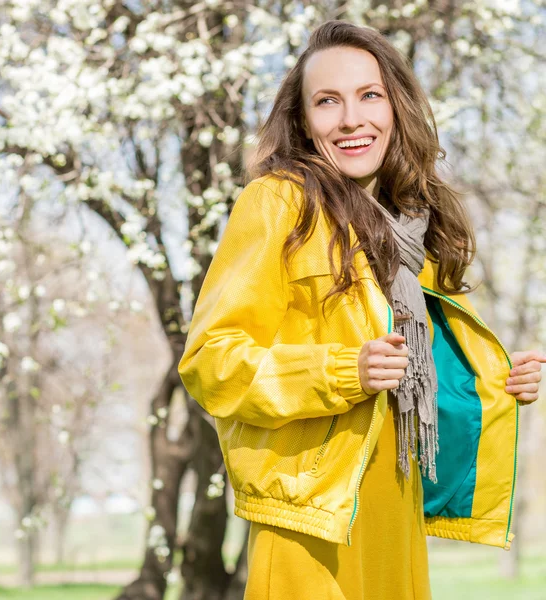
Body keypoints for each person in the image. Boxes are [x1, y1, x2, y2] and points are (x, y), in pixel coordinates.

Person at [178, 20, 544, 600]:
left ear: (395, 106)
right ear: (303, 121)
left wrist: (498, 379)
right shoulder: (277, 203)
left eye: (369, 95)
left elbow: (423, 365)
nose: (351, 118)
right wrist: (341, 371)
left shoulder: (414, 225)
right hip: (309, 515)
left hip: (396, 501)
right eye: (328, 101)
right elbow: (210, 362)